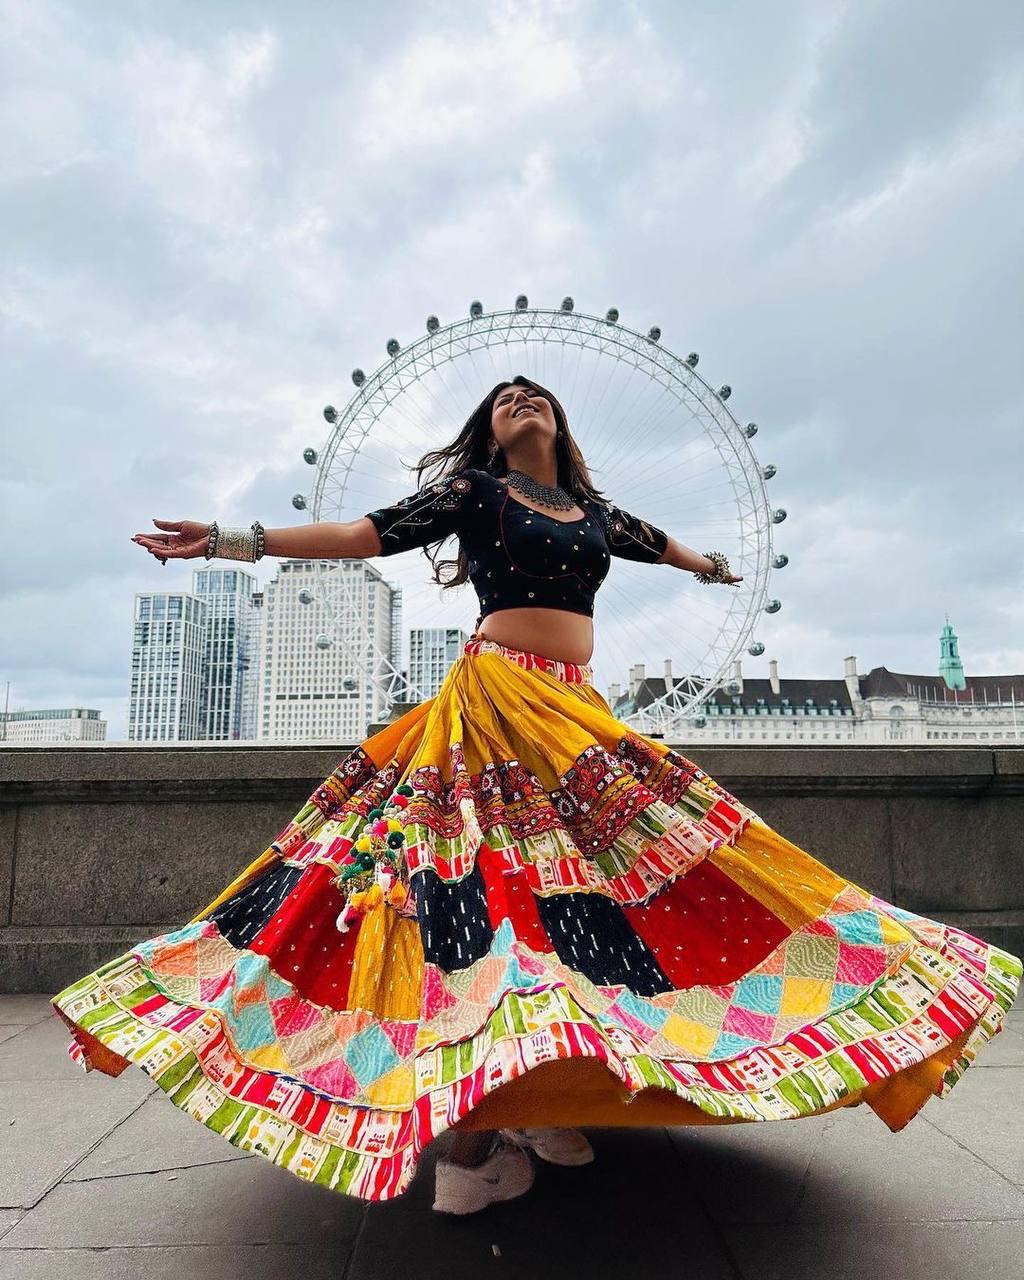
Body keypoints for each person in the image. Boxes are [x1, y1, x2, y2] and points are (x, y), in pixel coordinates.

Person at [53, 376, 1020, 1216]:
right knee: (498, 899)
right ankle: (472, 1151)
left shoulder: (595, 514)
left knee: (618, 894)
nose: (522, 399)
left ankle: (546, 1096)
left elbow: (660, 543)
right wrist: (233, 539)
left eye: (537, 395)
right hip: (497, 703)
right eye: (503, 398)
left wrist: (714, 566)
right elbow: (366, 533)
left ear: (559, 425)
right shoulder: (476, 491)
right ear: (490, 431)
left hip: (576, 716)